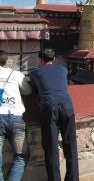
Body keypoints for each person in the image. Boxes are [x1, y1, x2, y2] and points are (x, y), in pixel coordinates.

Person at [28, 49, 79, 181]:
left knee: (51, 148)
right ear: (54, 59)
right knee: (71, 145)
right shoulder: (63, 70)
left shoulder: (35, 73)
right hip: (67, 106)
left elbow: (33, 90)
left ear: (40, 60)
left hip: (49, 107)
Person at [0, 50, 31, 181]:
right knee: (21, 156)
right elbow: (28, 91)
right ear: (5, 60)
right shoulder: (15, 74)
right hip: (16, 119)